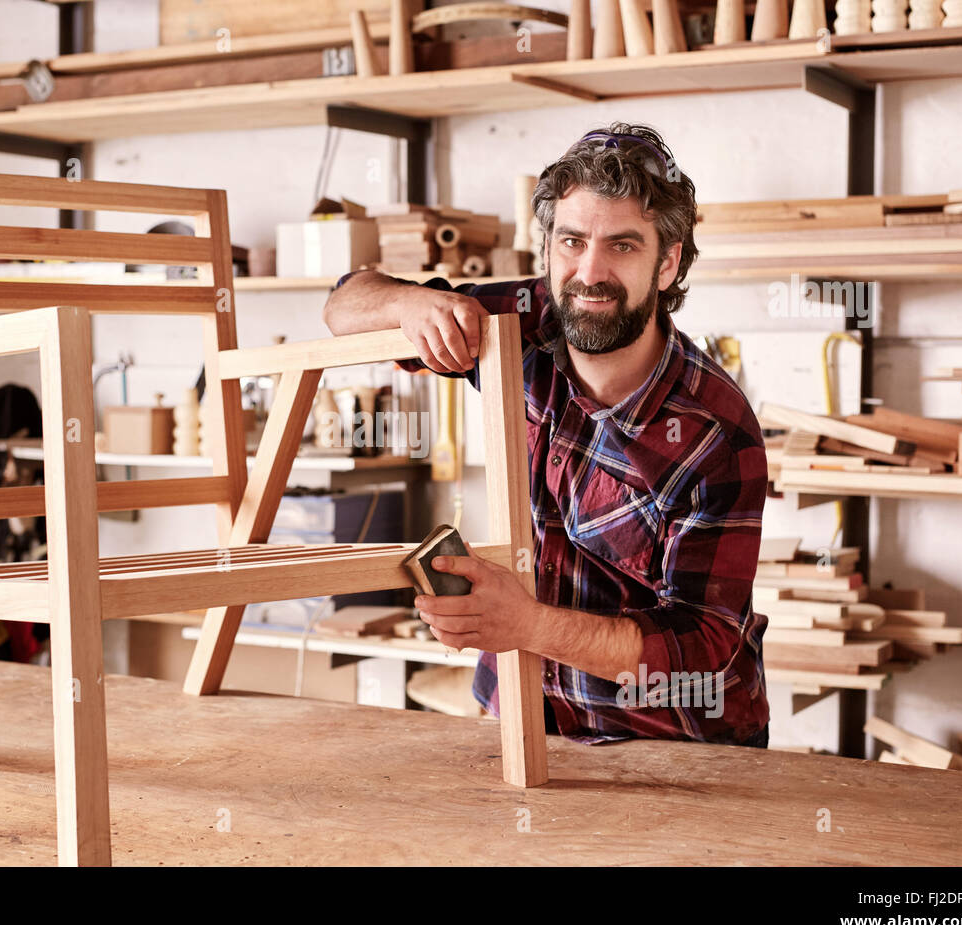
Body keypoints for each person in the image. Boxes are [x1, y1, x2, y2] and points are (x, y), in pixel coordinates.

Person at [322, 123, 770, 748]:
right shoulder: (517, 325)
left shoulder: (714, 434)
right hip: (523, 717)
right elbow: (343, 306)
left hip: (665, 745)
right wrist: (407, 305)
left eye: (622, 246)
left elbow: (702, 648)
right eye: (572, 240)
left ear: (667, 263)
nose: (589, 273)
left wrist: (525, 624)